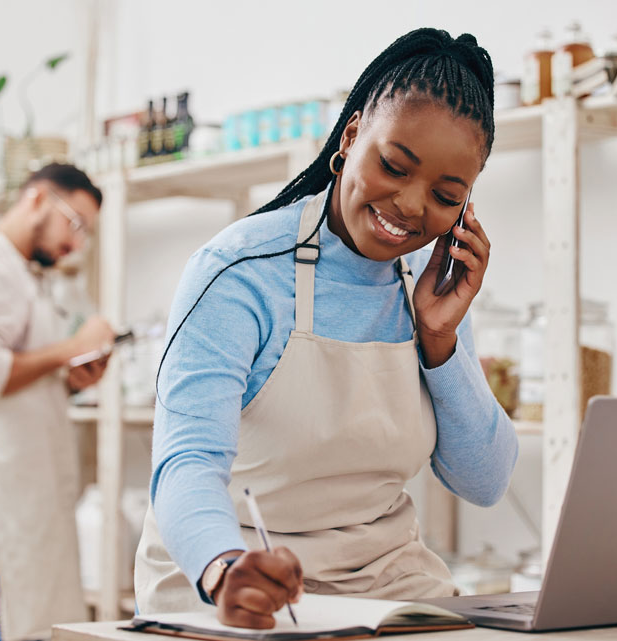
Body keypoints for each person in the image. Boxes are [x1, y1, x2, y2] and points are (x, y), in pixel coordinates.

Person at [134, 28, 519, 628]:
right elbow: (187, 461)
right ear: (350, 136)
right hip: (240, 574)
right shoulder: (239, 272)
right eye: (394, 166)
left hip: (384, 580)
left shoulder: (428, 282)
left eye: (446, 196)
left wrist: (440, 342)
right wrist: (223, 567)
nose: (413, 207)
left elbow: (486, 481)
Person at [0, 164, 116, 641]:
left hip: (25, 476)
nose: (76, 243)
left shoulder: (26, 273)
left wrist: (73, 378)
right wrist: (72, 345)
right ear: (37, 199)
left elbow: (19, 375)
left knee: (28, 620)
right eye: (75, 224)